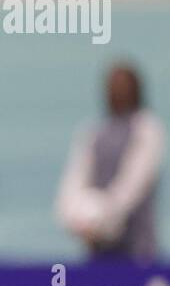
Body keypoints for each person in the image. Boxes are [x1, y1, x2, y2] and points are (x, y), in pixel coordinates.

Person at [56, 64, 164, 262]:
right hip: (98, 250)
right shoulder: (93, 132)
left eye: (123, 86)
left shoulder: (147, 129)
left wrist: (102, 215)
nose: (116, 92)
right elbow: (74, 180)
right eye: (112, 86)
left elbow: (133, 184)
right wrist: (75, 216)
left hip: (138, 250)